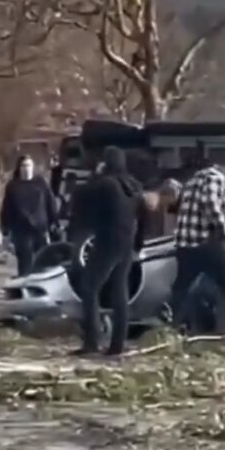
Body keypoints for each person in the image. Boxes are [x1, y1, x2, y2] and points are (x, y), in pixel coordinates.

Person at [70, 146, 148, 356]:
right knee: (119, 292)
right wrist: (138, 247)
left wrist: (96, 173)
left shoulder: (105, 184)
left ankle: (91, 342)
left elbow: (83, 199)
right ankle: (117, 345)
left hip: (107, 241)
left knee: (89, 287)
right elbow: (144, 218)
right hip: (128, 243)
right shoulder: (134, 186)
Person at [170, 150, 225, 333]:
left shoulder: (193, 179)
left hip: (185, 243)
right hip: (206, 241)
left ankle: (173, 325)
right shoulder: (215, 178)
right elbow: (210, 203)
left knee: (182, 288)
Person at [0, 155, 60, 278]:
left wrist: (55, 222)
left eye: (29, 166)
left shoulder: (40, 184)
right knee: (25, 261)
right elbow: (7, 208)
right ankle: (24, 284)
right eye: (24, 166)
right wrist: (5, 229)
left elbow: (50, 203)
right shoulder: (13, 186)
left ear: (33, 167)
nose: (26, 169)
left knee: (41, 261)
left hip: (40, 228)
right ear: (19, 168)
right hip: (21, 230)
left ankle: (40, 285)